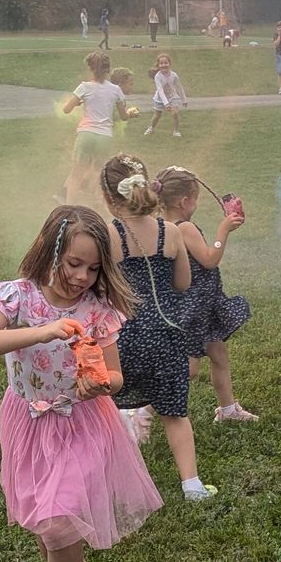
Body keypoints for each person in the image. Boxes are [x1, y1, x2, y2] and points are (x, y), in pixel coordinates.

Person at [0, 205, 162, 562]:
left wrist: (100, 384)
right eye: (74, 264)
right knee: (45, 520)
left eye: (93, 268)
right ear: (51, 249)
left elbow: (114, 376)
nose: (82, 277)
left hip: (82, 423)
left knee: (56, 520)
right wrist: (41, 331)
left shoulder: (98, 310)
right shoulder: (18, 297)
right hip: (27, 421)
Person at [98, 156, 211, 499]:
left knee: (108, 408)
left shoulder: (109, 234)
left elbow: (101, 289)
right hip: (168, 333)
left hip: (123, 336)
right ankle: (192, 484)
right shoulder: (171, 231)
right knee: (175, 413)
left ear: (107, 197)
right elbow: (182, 282)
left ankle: (114, 481)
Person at [153, 167, 258, 423]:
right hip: (193, 308)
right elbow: (209, 260)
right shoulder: (184, 227)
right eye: (195, 199)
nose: (196, 204)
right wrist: (223, 232)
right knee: (188, 369)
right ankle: (141, 409)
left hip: (201, 304)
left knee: (219, 353)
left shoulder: (159, 225)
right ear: (184, 201)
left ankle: (228, 409)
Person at [61, 51, 131, 205]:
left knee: (76, 175)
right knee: (99, 173)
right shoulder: (115, 90)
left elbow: (66, 109)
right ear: (108, 70)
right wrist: (130, 114)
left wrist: (78, 102)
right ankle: (98, 204)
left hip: (86, 134)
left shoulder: (84, 87)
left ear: (91, 69)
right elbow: (124, 116)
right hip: (104, 136)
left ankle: (69, 206)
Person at [144, 54, 187, 138]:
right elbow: (160, 91)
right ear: (158, 65)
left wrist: (184, 99)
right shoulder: (158, 77)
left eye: (166, 63)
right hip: (160, 99)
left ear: (170, 64)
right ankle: (151, 128)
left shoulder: (174, 75)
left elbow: (179, 87)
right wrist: (166, 103)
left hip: (172, 97)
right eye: (161, 63)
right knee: (157, 115)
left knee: (175, 113)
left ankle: (176, 131)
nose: (164, 65)